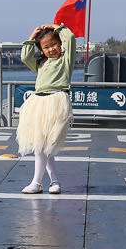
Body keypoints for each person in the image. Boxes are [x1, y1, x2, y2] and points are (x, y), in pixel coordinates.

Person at [17, 22, 76, 194]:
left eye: (54, 45)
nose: (51, 49)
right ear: (41, 50)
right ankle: (53, 182)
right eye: (46, 47)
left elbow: (70, 38)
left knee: (47, 144)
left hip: (57, 101)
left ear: (60, 44)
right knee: (41, 145)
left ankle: (37, 182)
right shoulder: (40, 64)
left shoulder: (66, 60)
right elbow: (25, 58)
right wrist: (31, 38)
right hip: (38, 103)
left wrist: (56, 27)